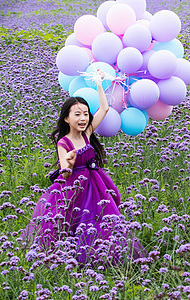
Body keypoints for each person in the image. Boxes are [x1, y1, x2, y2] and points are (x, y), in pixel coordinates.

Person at [22, 70, 147, 265]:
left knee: (102, 217)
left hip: (95, 183)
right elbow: (64, 172)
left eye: (85, 114)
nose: (83, 118)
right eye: (77, 114)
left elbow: (104, 109)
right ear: (66, 118)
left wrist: (99, 83)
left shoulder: (87, 132)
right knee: (73, 219)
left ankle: (101, 255)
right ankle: (73, 257)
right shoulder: (64, 142)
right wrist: (69, 163)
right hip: (74, 188)